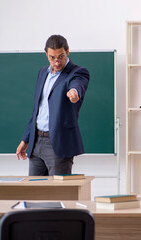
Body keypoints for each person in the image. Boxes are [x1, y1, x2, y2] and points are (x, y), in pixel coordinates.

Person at [16, 35, 90, 176]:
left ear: (67, 51)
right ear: (46, 54)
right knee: (34, 192)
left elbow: (77, 85)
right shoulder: (43, 72)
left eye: (61, 57)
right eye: (52, 57)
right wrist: (25, 139)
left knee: (58, 193)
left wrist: (74, 93)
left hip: (58, 144)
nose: (56, 62)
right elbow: (36, 111)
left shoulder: (78, 72)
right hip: (36, 143)